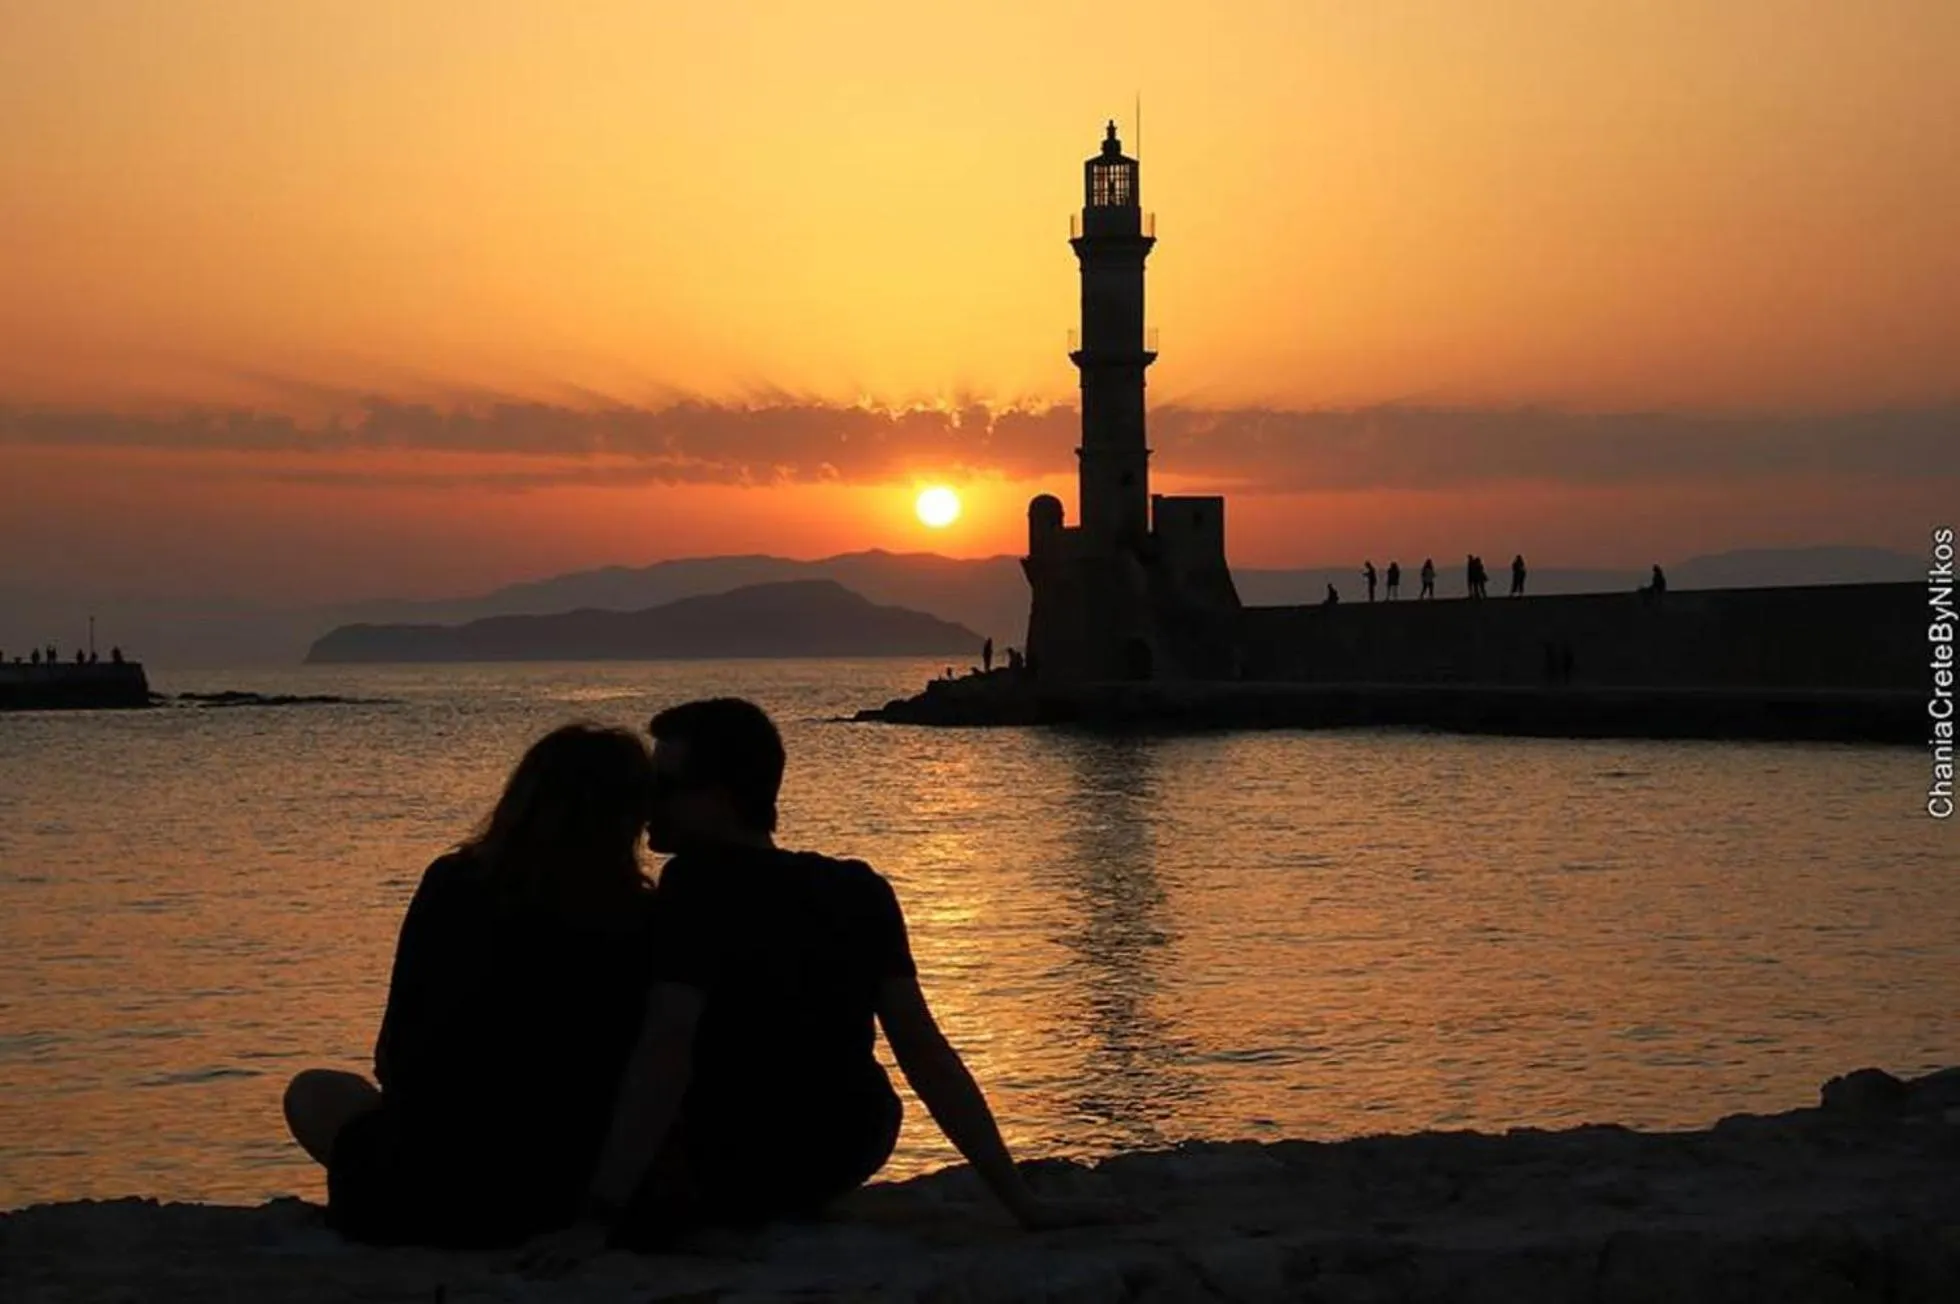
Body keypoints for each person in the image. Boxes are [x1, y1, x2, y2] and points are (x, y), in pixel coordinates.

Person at [551, 698, 1120, 1259]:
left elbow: (665, 1049)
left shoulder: (693, 888)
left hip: (731, 1159)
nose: (649, 804)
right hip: (849, 1145)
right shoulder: (859, 887)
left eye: (666, 787)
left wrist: (598, 1216)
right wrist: (1020, 1201)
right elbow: (923, 1050)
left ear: (719, 799)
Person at [282, 723, 661, 1249]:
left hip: (430, 1189)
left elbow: (395, 1054)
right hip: (562, 1187)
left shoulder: (453, 884)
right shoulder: (642, 916)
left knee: (314, 1091)